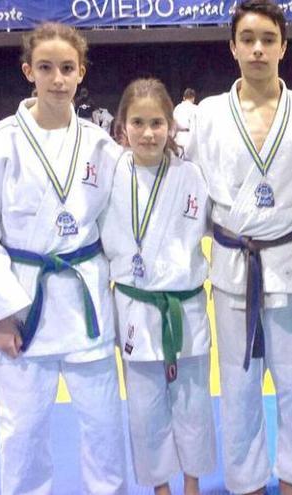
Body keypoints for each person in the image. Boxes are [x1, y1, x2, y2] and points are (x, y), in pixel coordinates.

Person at [0, 22, 127, 495]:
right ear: (27, 71)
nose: (58, 79)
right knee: (22, 430)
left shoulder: (101, 146)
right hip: (25, 307)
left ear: (81, 73)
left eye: (67, 69)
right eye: (47, 68)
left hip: (86, 302)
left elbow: (119, 227)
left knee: (103, 427)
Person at [186, 1, 292, 493]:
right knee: (239, 383)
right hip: (232, 265)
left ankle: (291, 477)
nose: (258, 48)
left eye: (268, 38)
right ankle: (245, 480)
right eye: (248, 39)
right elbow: (193, 192)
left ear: (284, 46)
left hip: (290, 261)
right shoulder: (207, 114)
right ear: (233, 47)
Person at [102, 78, 216, 495]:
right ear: (122, 126)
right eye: (138, 122)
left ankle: (192, 484)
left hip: (185, 309)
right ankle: (160, 488)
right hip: (135, 309)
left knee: (193, 405)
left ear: (171, 125)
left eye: (156, 123)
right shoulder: (110, 175)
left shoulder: (192, 177)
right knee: (145, 411)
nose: (148, 133)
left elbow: (220, 230)